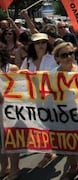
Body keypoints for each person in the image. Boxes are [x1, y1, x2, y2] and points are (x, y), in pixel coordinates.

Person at [51, 42, 78, 180]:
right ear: (57, 58)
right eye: (64, 55)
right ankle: (73, 166)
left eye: (71, 53)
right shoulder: (52, 75)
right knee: (68, 141)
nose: (69, 57)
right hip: (63, 114)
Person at [20, 33, 58, 168]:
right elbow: (21, 75)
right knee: (41, 125)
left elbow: (58, 75)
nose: (41, 45)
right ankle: (50, 150)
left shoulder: (53, 58)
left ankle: (51, 151)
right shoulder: (28, 60)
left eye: (43, 42)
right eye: (37, 43)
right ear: (33, 45)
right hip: (34, 98)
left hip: (51, 97)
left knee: (52, 124)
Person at [0, 42, 20, 180]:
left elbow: (20, 90)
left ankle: (14, 168)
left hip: (9, 110)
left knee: (11, 140)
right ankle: (4, 167)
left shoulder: (11, 69)